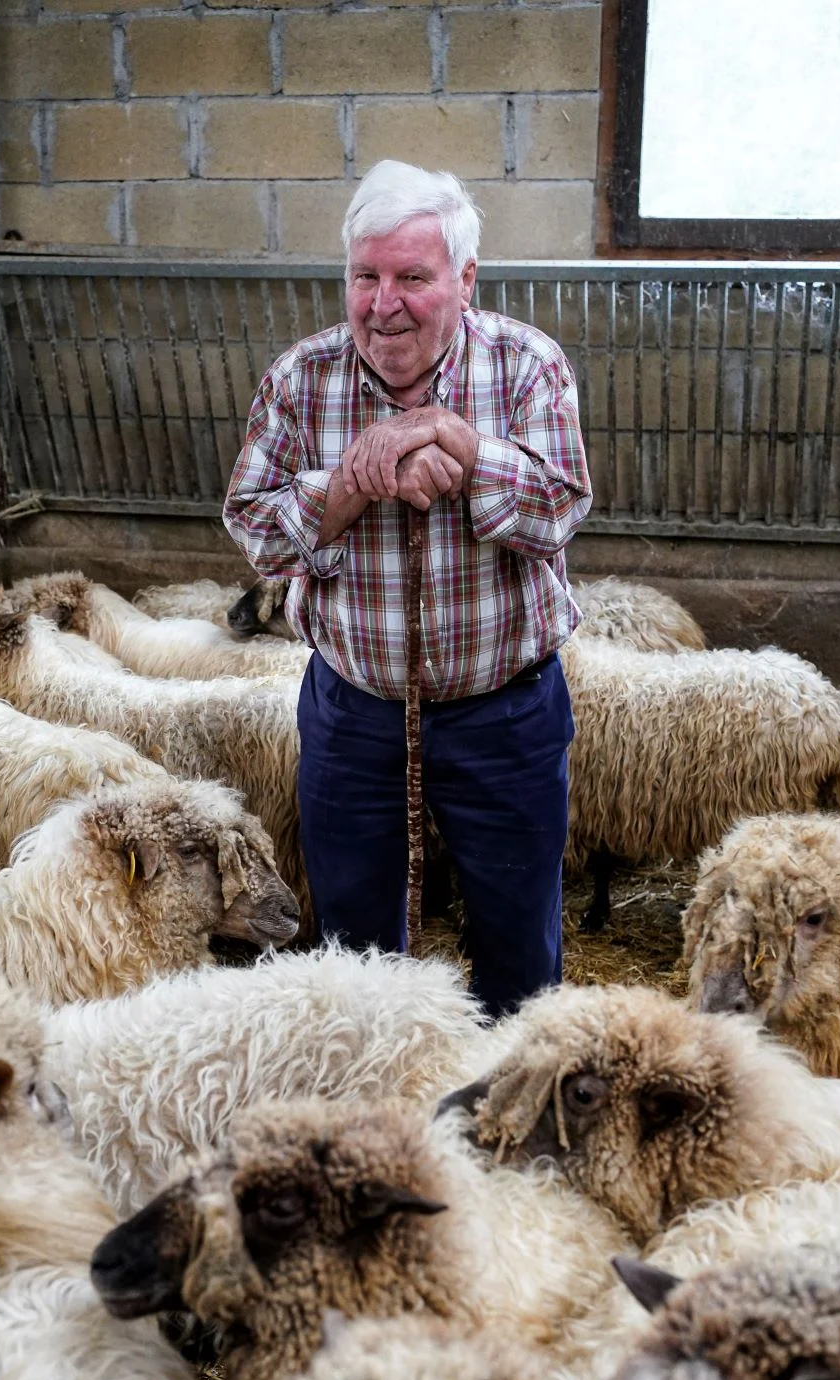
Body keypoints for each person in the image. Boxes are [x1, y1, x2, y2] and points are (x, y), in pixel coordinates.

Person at [223, 159, 591, 1019]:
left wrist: (463, 448)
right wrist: (350, 482)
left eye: (412, 278)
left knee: (517, 945)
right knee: (353, 948)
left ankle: (507, 1117)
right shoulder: (300, 379)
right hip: (355, 712)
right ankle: (374, 1114)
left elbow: (558, 514)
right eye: (366, 275)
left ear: (465, 279)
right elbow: (251, 525)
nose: (382, 303)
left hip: (504, 710)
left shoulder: (528, 367)